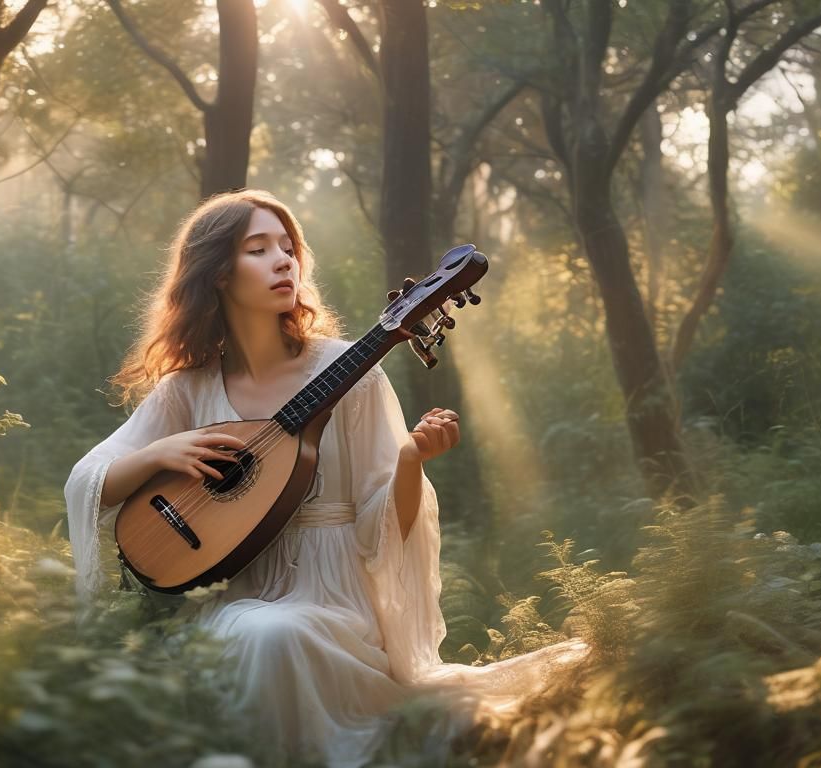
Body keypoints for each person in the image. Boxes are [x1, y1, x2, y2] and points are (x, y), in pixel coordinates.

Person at [64, 189, 591, 767]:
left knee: (278, 636)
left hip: (332, 595)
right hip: (229, 595)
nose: (283, 260)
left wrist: (411, 461)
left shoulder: (349, 372)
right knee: (263, 633)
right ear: (216, 273)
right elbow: (91, 480)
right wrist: (160, 452)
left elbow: (382, 526)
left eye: (288, 248)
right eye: (258, 249)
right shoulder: (188, 389)